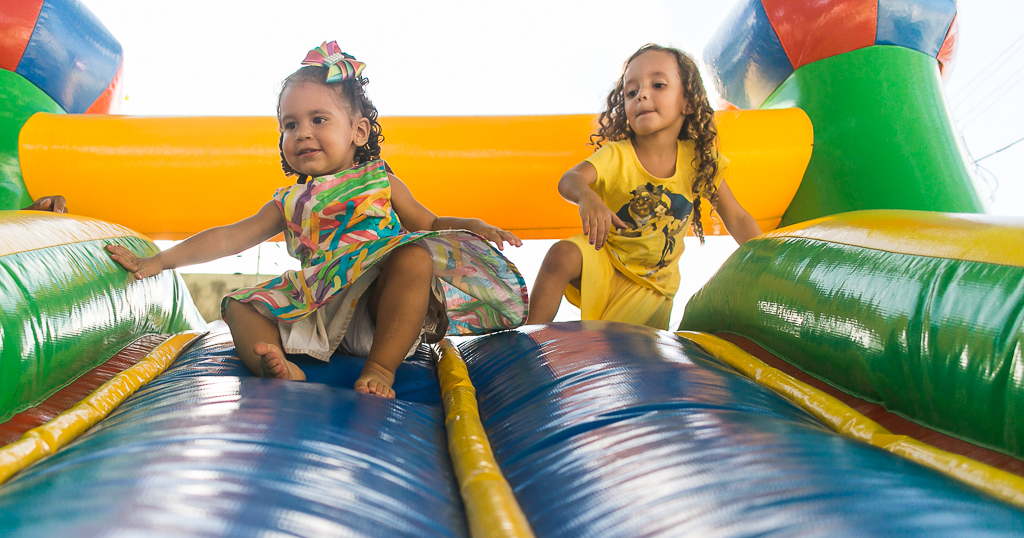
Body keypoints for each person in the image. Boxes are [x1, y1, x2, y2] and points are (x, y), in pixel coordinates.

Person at [107, 41, 528, 399]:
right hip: (320, 307)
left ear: (359, 132)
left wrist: (470, 224)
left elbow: (429, 223)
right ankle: (274, 365)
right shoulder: (289, 201)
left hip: (379, 311)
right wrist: (159, 261)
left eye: (318, 119)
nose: (302, 132)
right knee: (237, 306)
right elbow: (228, 239)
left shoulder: (380, 180)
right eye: (290, 125)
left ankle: (381, 369)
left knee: (413, 257)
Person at [527, 44, 762, 329]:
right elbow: (570, 179)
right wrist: (587, 197)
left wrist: (764, 257)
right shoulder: (617, 155)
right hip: (607, 263)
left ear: (687, 102)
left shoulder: (698, 160)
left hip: (652, 288)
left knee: (626, 347)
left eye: (658, 85)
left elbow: (735, 216)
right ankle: (528, 337)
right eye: (631, 92)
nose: (642, 95)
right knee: (561, 255)